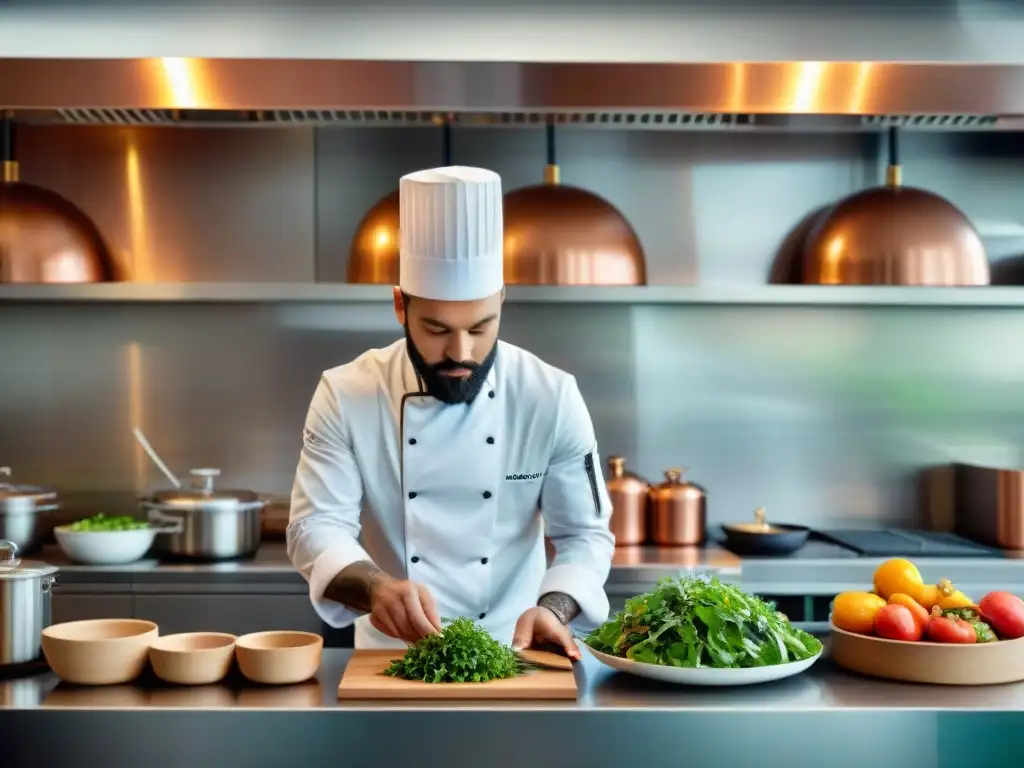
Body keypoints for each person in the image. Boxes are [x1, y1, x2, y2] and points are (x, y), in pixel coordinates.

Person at [287, 166, 614, 655]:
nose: (461, 351)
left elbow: (585, 533)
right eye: (437, 329)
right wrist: (376, 586)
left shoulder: (550, 395)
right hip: (391, 655)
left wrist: (555, 608)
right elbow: (315, 527)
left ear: (502, 300)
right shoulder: (346, 392)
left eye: (481, 327)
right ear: (400, 306)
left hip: (517, 652)